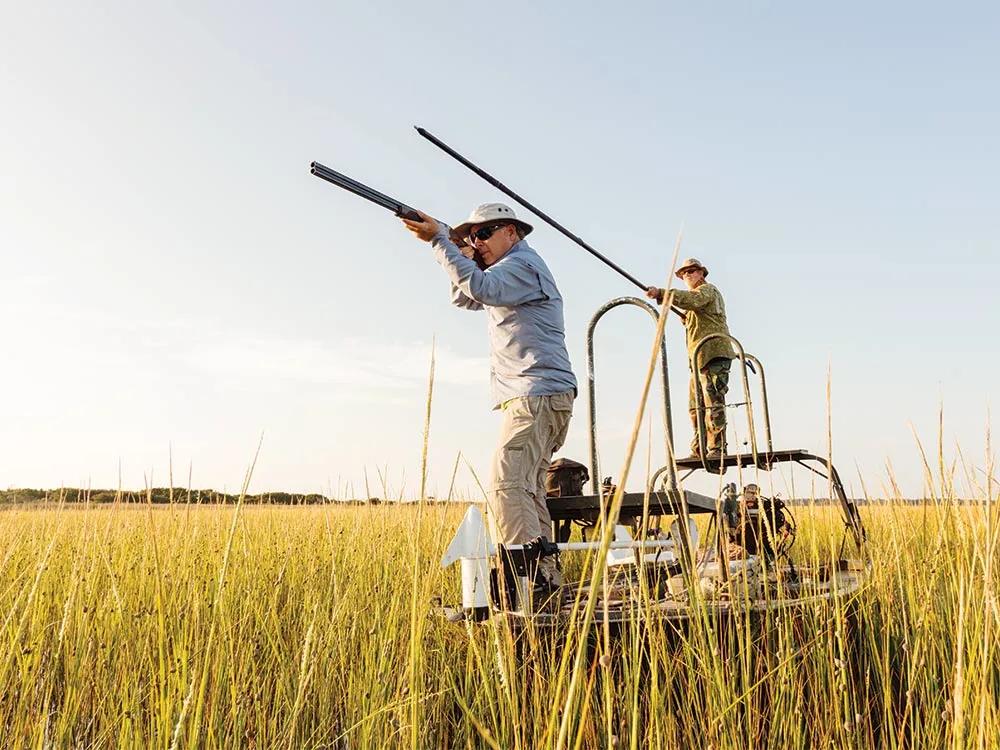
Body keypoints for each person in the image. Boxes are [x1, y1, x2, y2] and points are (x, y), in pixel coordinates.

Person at [402, 203, 577, 591]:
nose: (477, 242)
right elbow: (465, 297)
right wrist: (457, 252)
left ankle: (523, 578)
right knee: (527, 486)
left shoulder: (521, 266)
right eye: (472, 236)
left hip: (536, 392)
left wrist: (440, 241)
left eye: (483, 234)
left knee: (506, 481)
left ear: (511, 232)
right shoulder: (510, 270)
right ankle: (543, 579)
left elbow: (479, 288)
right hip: (540, 393)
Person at [646, 258, 735, 458]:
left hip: (713, 354)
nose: (687, 275)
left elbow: (691, 299)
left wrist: (661, 293)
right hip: (699, 359)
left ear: (701, 273)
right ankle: (699, 448)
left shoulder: (707, 291)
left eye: (691, 271)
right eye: (684, 273)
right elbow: (695, 309)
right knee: (695, 406)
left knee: (713, 402)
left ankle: (717, 448)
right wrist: (688, 319)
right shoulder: (697, 302)